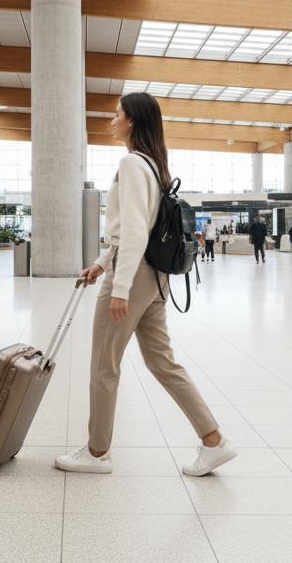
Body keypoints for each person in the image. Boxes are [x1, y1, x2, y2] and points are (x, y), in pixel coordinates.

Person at [56, 91, 236, 477]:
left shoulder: (131, 163)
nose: (112, 120)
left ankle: (96, 451)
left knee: (104, 364)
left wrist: (119, 288)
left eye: (117, 114)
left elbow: (135, 230)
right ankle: (213, 440)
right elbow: (139, 229)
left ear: (132, 120)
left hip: (133, 276)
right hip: (153, 277)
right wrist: (102, 264)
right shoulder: (154, 165)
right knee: (163, 363)